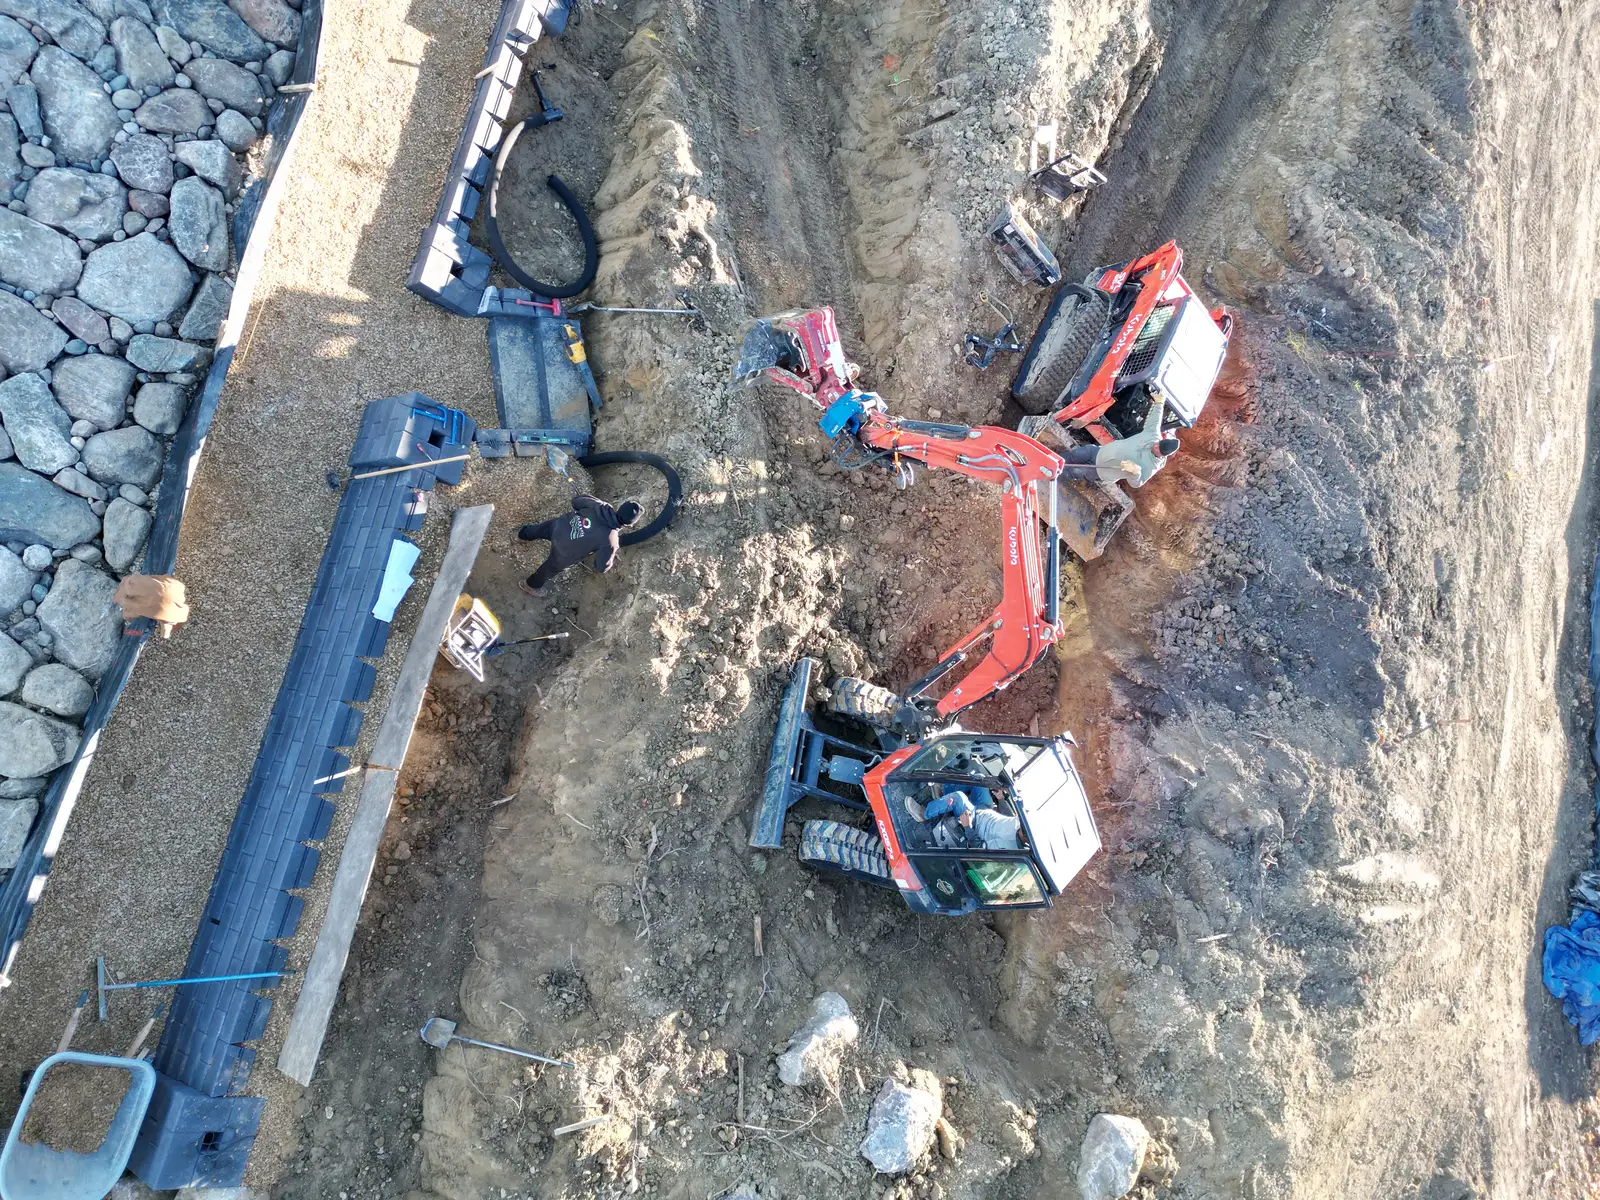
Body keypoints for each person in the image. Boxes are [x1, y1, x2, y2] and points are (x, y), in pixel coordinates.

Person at [517, 495, 642, 596]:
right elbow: (601, 566)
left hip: (559, 527)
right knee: (549, 569)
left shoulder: (599, 505)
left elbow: (576, 501)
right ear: (628, 525)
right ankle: (530, 586)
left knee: (537, 530)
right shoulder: (611, 540)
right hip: (565, 551)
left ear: (619, 508)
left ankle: (519, 536)